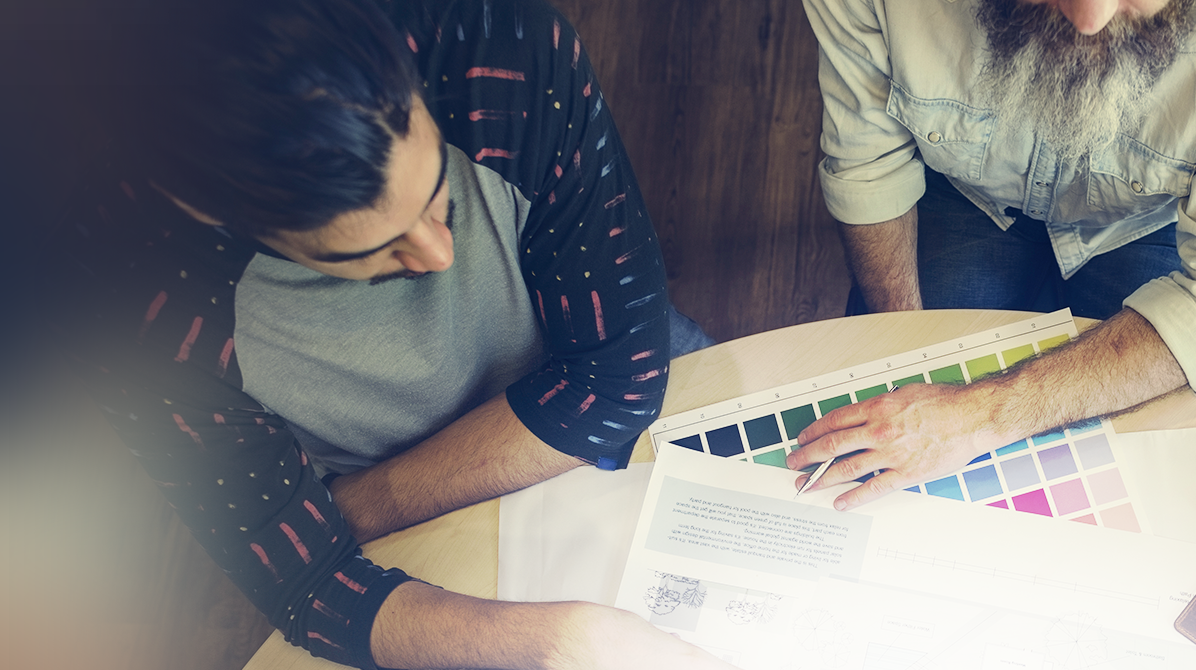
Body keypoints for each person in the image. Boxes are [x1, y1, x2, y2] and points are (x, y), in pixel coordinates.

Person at [57, 0, 731, 668]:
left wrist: (339, 520)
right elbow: (310, 592)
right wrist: (558, 644)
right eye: (371, 256)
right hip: (382, 465)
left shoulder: (500, 42)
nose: (440, 255)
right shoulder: (113, 296)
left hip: (564, 393)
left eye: (440, 191)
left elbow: (618, 381)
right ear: (206, 211)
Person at [788, 0, 1196, 509]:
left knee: (1131, 471)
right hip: (963, 190)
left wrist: (977, 416)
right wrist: (903, 370)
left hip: (1146, 221)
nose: (1088, 19)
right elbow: (870, 166)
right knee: (883, 444)